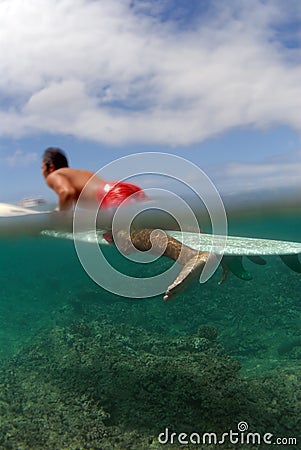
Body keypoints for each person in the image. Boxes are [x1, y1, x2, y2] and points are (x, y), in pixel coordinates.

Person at [41, 147, 251, 301]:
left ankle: (191, 257)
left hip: (112, 195)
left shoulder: (56, 175)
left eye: (42, 167)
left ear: (49, 165)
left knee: (126, 239)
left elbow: (65, 192)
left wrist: (60, 213)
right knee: (167, 225)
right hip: (125, 187)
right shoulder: (78, 172)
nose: (42, 172)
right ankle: (221, 251)